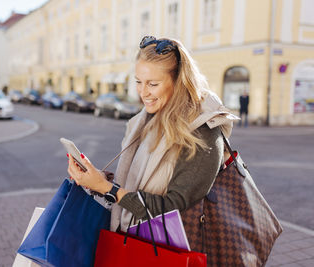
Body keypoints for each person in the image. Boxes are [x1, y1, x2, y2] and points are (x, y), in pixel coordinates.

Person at [67, 36, 237, 245]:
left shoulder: (203, 131)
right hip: (129, 238)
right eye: (138, 82)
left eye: (153, 84)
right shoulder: (143, 121)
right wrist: (99, 179)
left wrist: (107, 189)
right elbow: (138, 183)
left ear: (178, 82)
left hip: (167, 249)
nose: (143, 92)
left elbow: (172, 207)